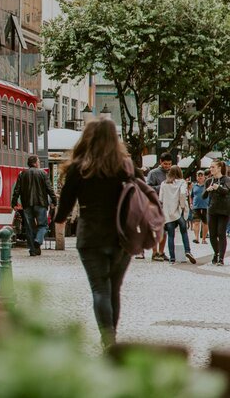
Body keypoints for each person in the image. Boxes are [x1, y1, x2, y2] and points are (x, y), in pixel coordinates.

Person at [53, 118, 141, 349]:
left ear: (88, 138)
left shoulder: (80, 167)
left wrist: (58, 219)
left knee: (100, 289)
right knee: (114, 288)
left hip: (90, 236)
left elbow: (64, 209)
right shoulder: (126, 166)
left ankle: (108, 340)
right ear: (115, 139)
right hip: (122, 235)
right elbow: (142, 194)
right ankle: (112, 338)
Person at [10, 155, 57, 256]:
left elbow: (17, 190)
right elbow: (49, 189)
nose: (39, 163)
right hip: (41, 204)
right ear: (35, 163)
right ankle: (38, 240)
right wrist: (54, 201)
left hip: (27, 204)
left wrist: (14, 202)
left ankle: (33, 250)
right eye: (38, 161)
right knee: (43, 225)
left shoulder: (22, 174)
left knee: (29, 227)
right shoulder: (43, 173)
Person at [158, 166, 196, 264]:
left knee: (171, 235)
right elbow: (183, 193)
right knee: (184, 232)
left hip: (168, 213)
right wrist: (182, 206)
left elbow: (160, 199)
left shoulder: (164, 183)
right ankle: (188, 251)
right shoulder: (182, 182)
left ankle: (172, 258)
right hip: (178, 212)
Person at [144, 152, 172, 261]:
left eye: (169, 164)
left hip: (168, 205)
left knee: (164, 230)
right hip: (155, 204)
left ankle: (161, 252)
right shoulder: (153, 173)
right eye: (165, 164)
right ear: (160, 162)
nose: (167, 166)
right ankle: (154, 252)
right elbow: (148, 188)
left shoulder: (172, 172)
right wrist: (163, 186)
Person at [203, 159, 230, 266]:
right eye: (210, 167)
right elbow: (203, 196)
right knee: (213, 234)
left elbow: (226, 191)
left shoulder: (227, 179)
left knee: (221, 233)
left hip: (224, 210)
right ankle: (216, 253)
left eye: (213, 167)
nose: (211, 169)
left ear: (219, 168)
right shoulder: (208, 181)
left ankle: (221, 258)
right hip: (212, 210)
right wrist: (208, 190)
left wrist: (218, 187)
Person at [191, 170, 209, 245]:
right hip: (196, 206)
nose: (200, 177)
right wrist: (191, 203)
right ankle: (196, 238)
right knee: (196, 222)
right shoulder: (194, 186)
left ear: (204, 176)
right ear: (196, 177)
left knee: (205, 223)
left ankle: (204, 239)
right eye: (198, 175)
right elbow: (191, 195)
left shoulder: (207, 185)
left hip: (206, 206)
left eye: (201, 175)